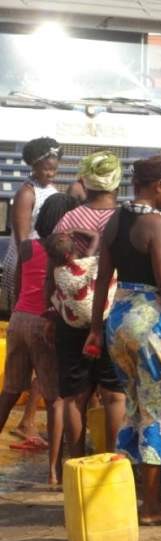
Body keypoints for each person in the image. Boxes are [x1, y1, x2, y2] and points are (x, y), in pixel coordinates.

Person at [86, 155, 161, 526]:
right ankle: (152, 507)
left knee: (135, 411)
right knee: (158, 412)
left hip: (119, 319)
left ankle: (129, 497)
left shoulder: (115, 221)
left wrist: (95, 328)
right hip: (151, 323)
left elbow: (103, 279)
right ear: (158, 187)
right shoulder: (155, 224)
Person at [48, 151, 127, 459]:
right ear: (116, 182)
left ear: (86, 180)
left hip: (69, 317)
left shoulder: (68, 219)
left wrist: (49, 310)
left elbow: (51, 271)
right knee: (114, 393)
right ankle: (112, 463)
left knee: (74, 395)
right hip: (110, 313)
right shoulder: (121, 218)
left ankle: (78, 461)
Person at [0, 195, 70, 484]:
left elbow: (16, 286)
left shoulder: (27, 246)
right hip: (44, 323)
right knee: (55, 399)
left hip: (18, 320)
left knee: (10, 391)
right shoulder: (65, 250)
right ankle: (54, 470)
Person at [4, 137, 62, 445]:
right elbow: (23, 240)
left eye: (54, 169)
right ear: (34, 165)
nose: (50, 173)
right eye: (45, 168)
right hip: (29, 268)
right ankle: (27, 421)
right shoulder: (26, 194)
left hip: (45, 263)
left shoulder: (52, 193)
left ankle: (28, 420)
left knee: (43, 356)